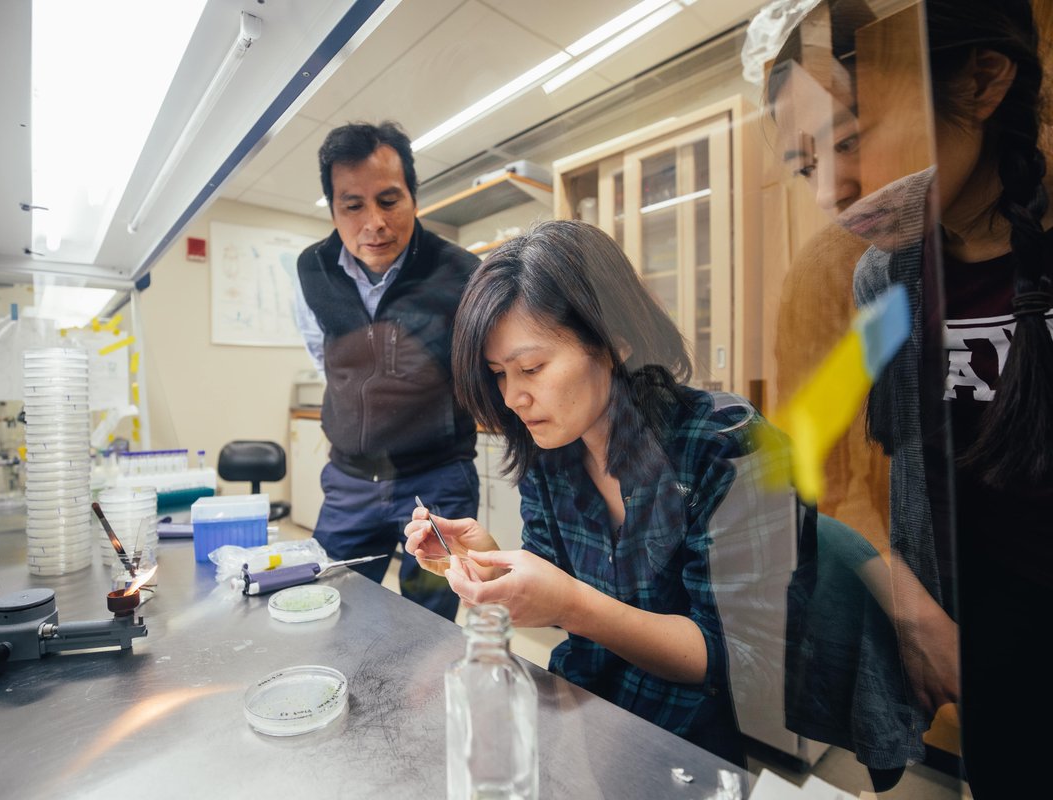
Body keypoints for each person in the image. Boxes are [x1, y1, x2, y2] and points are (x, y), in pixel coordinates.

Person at [770, 1, 1053, 794]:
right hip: (990, 641)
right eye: (805, 164)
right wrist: (916, 616)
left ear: (984, 80)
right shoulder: (884, 279)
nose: (831, 190)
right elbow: (839, 455)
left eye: (851, 140)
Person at [405, 219, 795, 765]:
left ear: (614, 343)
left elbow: (744, 660)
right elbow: (558, 594)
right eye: (498, 374)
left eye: (532, 367)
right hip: (584, 707)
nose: (514, 396)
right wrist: (489, 565)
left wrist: (571, 603)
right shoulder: (551, 454)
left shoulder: (726, 447)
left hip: (689, 737)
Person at [293, 121, 480, 621]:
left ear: (414, 198)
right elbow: (323, 353)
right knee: (328, 605)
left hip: (436, 482)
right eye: (352, 205)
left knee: (430, 619)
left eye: (389, 200)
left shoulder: (461, 272)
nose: (373, 222)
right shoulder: (312, 268)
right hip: (351, 481)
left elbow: (480, 369)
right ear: (333, 208)